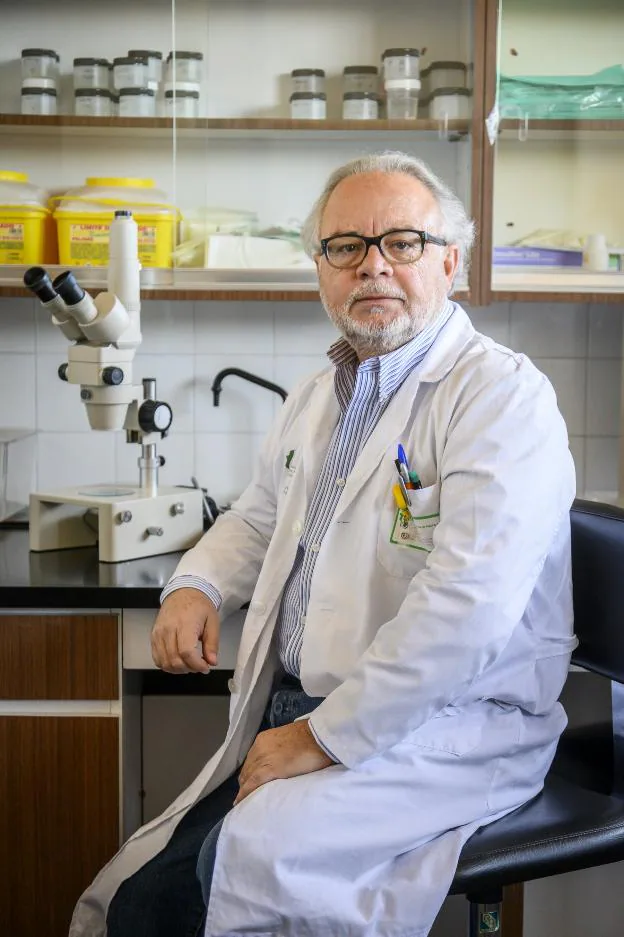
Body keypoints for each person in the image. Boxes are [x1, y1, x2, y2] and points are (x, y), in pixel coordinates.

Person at [70, 152, 577, 937]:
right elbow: (259, 515)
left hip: (443, 725)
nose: (373, 264)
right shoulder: (321, 393)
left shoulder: (501, 398)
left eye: (402, 242)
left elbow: (465, 609)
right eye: (346, 245)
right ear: (321, 270)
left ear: (451, 261)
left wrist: (323, 734)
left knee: (207, 891)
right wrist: (196, 584)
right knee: (143, 886)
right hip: (308, 710)